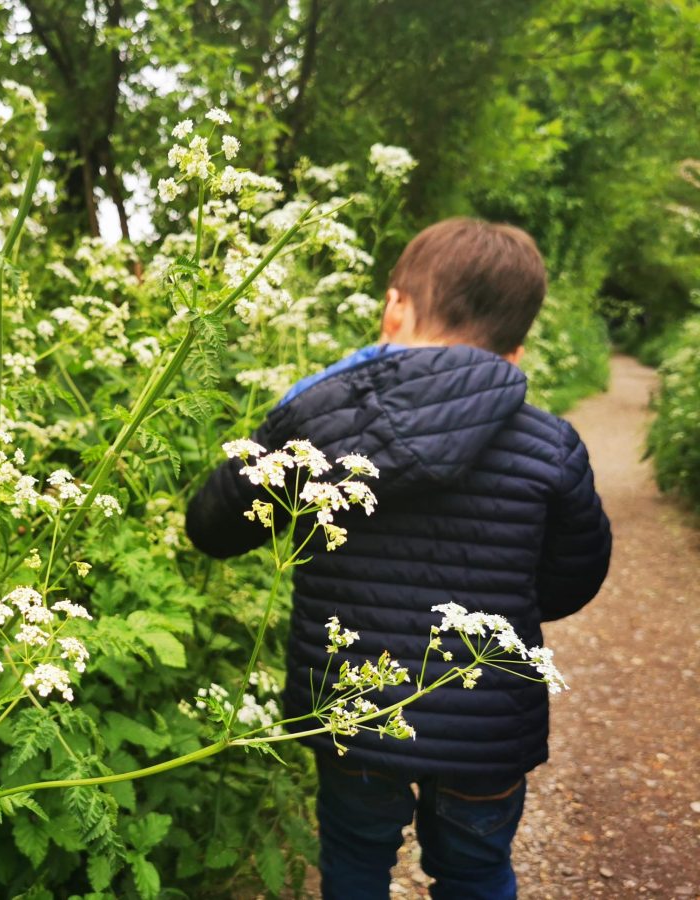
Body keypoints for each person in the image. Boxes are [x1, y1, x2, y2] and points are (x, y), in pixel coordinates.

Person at [185, 218, 612, 899]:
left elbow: (211, 526)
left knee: (354, 863)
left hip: (354, 707)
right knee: (476, 872)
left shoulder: (318, 419)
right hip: (488, 726)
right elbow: (574, 576)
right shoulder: (550, 445)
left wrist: (287, 421)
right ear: (519, 346)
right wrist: (503, 608)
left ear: (394, 307)